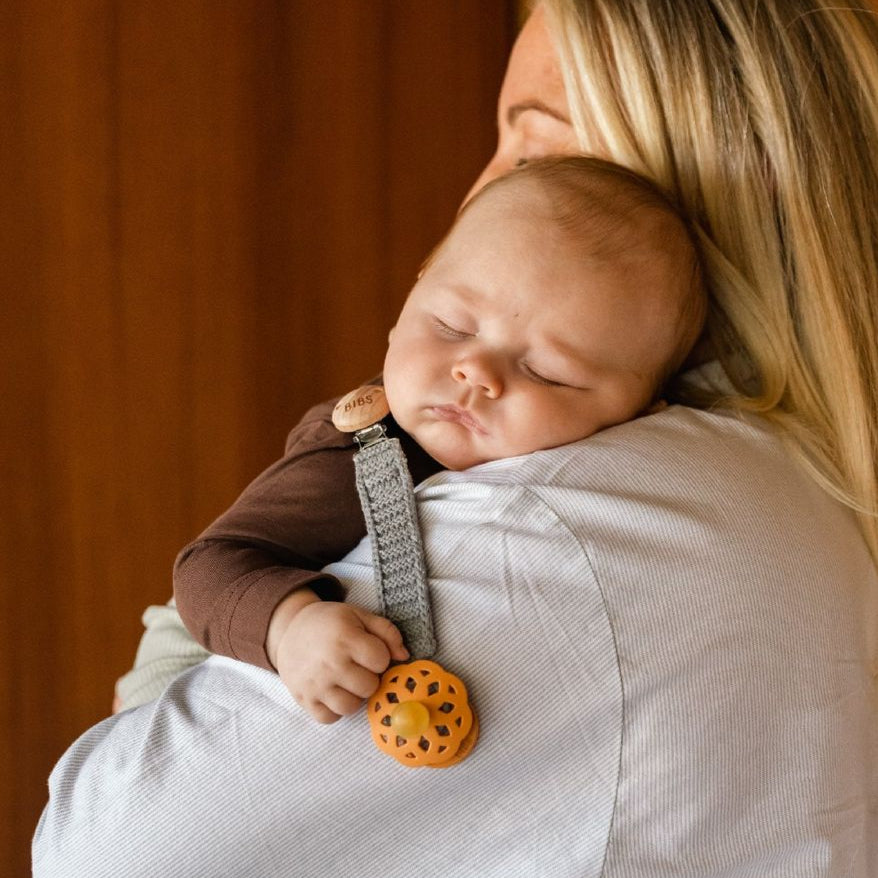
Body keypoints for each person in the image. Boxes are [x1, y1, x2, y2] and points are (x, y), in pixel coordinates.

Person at [34, 2, 878, 875]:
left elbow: (107, 848)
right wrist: (272, 619)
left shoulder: (569, 523)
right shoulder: (795, 484)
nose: (481, 193)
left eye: (542, 151)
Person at [171, 154, 706, 725]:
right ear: (412, 296)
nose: (476, 371)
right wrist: (289, 625)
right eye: (451, 325)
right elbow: (208, 566)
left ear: (644, 417)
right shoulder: (353, 454)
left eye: (549, 372)